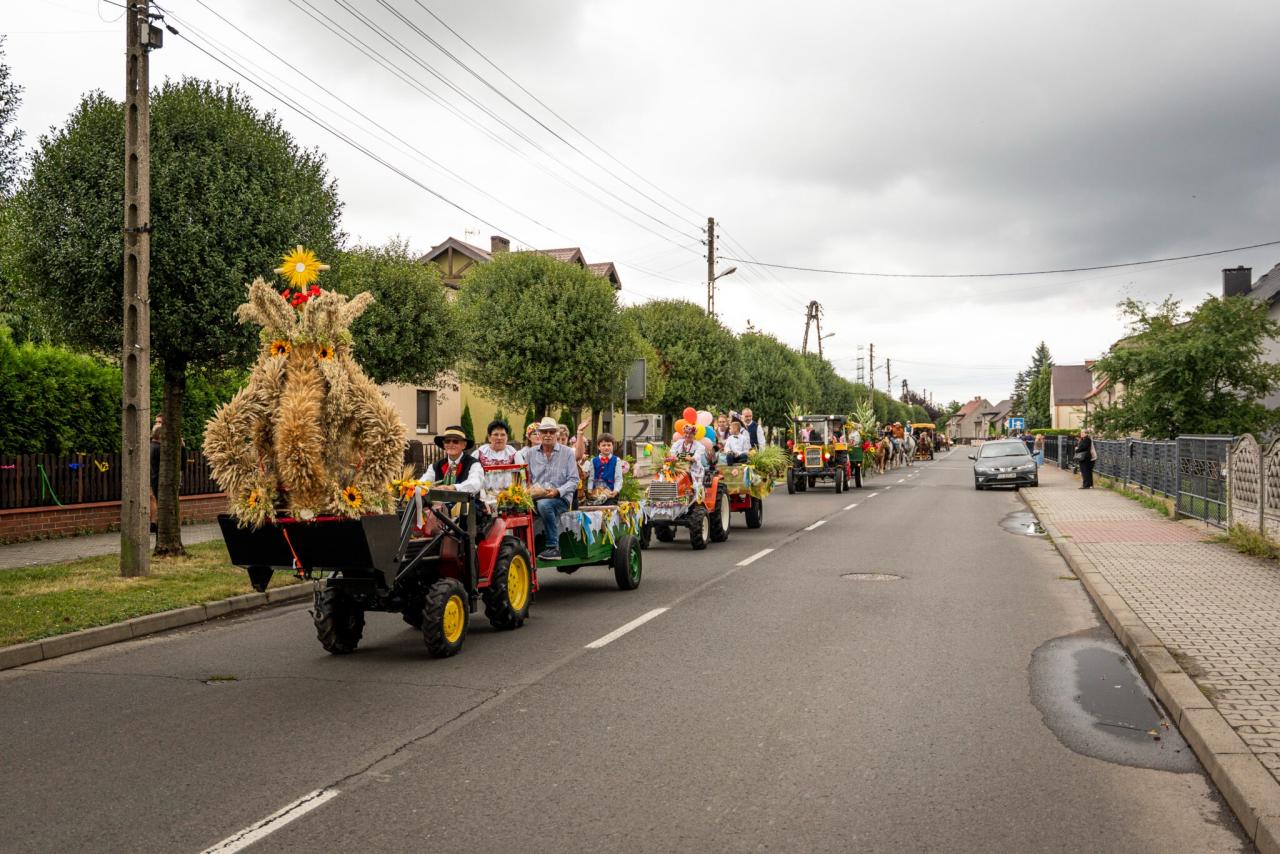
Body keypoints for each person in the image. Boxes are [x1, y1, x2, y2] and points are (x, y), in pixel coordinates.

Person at [525, 417, 581, 559]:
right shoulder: (530, 453)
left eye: (551, 432)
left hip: (560, 498)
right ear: (539, 434)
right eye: (544, 432)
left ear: (556, 434)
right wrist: (529, 490)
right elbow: (526, 479)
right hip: (536, 497)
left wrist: (557, 491)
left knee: (544, 505)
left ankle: (553, 548)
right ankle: (524, 548)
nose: (548, 435)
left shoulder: (567, 452)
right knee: (514, 509)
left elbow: (574, 480)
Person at [420, 426, 484, 495]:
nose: (451, 444)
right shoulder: (435, 466)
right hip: (438, 504)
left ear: (464, 445)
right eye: (447, 441)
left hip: (465, 505)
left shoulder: (474, 464)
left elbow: (475, 483)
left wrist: (453, 487)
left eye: (455, 441)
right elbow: (423, 482)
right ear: (444, 445)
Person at [585, 432, 623, 504]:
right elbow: (591, 477)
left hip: (611, 493)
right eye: (603, 445)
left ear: (612, 446)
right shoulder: (594, 460)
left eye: (609, 445)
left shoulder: (616, 460)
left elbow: (618, 478)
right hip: (596, 492)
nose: (606, 447)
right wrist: (590, 489)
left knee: (608, 507)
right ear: (599, 447)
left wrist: (616, 490)